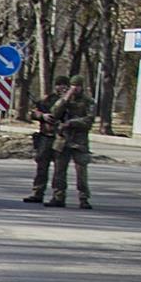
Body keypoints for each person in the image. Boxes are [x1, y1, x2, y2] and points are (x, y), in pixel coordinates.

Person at [45, 75, 93, 209]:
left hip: (79, 142)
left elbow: (88, 120)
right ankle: (58, 197)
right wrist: (65, 98)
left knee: (81, 173)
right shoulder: (64, 100)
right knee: (59, 171)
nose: (75, 88)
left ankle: (84, 198)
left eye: (77, 86)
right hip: (62, 141)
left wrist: (70, 123)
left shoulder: (87, 102)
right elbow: (54, 113)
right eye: (73, 86)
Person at [24, 74, 72, 202]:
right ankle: (37, 192)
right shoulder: (48, 99)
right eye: (58, 85)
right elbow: (32, 113)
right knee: (41, 167)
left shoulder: (72, 101)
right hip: (46, 136)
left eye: (63, 85)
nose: (60, 87)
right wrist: (43, 116)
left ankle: (58, 196)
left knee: (59, 170)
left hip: (61, 138)